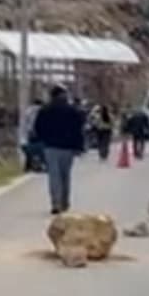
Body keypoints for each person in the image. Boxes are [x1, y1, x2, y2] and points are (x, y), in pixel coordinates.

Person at [32, 85, 87, 214]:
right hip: (68, 148)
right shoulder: (73, 111)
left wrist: (43, 139)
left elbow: (37, 127)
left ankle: (55, 202)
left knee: (53, 175)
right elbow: (78, 130)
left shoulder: (45, 110)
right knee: (65, 175)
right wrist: (79, 147)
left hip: (51, 146)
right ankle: (65, 202)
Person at [18, 99, 44, 173]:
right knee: (39, 150)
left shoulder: (28, 111)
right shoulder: (42, 110)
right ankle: (38, 165)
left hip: (29, 133)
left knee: (29, 151)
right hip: (39, 133)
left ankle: (28, 166)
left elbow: (24, 124)